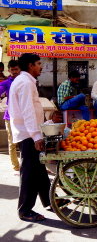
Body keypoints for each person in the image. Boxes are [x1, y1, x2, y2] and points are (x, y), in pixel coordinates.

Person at [8, 53, 50, 222]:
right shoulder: (25, 83)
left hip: (29, 133)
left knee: (39, 171)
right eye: (39, 63)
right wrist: (36, 136)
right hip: (28, 134)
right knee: (29, 173)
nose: (41, 67)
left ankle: (49, 201)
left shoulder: (25, 81)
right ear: (31, 65)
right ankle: (25, 210)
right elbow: (27, 111)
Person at [0, 60, 21, 171]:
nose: (14, 72)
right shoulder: (6, 83)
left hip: (23, 117)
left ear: (20, 69)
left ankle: (26, 165)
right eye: (12, 70)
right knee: (12, 142)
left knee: (24, 143)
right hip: (10, 117)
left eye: (16, 69)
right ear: (9, 70)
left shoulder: (25, 81)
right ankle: (16, 166)